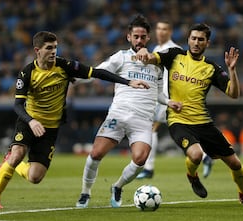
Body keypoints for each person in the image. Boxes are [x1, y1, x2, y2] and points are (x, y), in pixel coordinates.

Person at [0, 31, 149, 209]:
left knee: (35, 177)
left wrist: (127, 82)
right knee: (18, 154)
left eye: (55, 47)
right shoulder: (27, 73)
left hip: (50, 128)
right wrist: (32, 121)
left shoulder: (65, 66)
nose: (53, 51)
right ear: (37, 50)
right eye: (49, 48)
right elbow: (17, 105)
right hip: (29, 122)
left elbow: (97, 73)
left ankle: (9, 161)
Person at [136, 23, 243, 206]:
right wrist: (144, 51)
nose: (196, 42)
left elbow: (234, 94)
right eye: (193, 38)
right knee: (196, 155)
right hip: (178, 120)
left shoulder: (211, 68)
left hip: (203, 123)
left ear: (207, 43)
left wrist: (232, 70)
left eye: (200, 39)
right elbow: (151, 58)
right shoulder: (174, 55)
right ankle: (192, 175)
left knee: (235, 164)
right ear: (188, 40)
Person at [75, 15, 181, 209]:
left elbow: (158, 93)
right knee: (96, 153)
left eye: (143, 36)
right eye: (136, 36)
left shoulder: (157, 64)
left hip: (142, 119)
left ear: (148, 38)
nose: (139, 40)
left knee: (140, 159)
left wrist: (169, 101)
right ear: (129, 37)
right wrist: (75, 79)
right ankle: (85, 193)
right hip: (119, 114)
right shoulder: (121, 57)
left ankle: (117, 186)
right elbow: (98, 71)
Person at [136, 20, 214, 180]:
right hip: (162, 97)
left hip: (171, 97)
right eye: (158, 28)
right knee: (163, 129)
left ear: (170, 31)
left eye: (164, 29)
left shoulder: (176, 50)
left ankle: (149, 168)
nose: (161, 32)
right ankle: (205, 156)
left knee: (157, 128)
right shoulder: (157, 49)